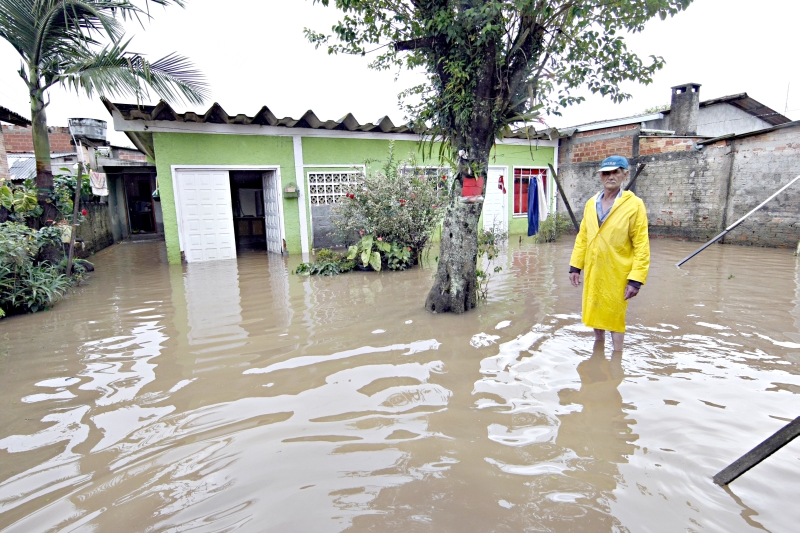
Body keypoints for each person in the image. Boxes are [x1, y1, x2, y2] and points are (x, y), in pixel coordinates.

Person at [568, 155, 650, 351]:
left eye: (616, 172)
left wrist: (636, 280)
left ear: (625, 174)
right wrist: (575, 266)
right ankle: (598, 350)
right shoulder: (591, 203)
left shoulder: (634, 204)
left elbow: (641, 245)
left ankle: (617, 357)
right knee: (594, 310)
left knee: (615, 316)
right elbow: (583, 237)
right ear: (600, 176)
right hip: (595, 269)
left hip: (618, 271)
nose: (610, 176)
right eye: (606, 173)